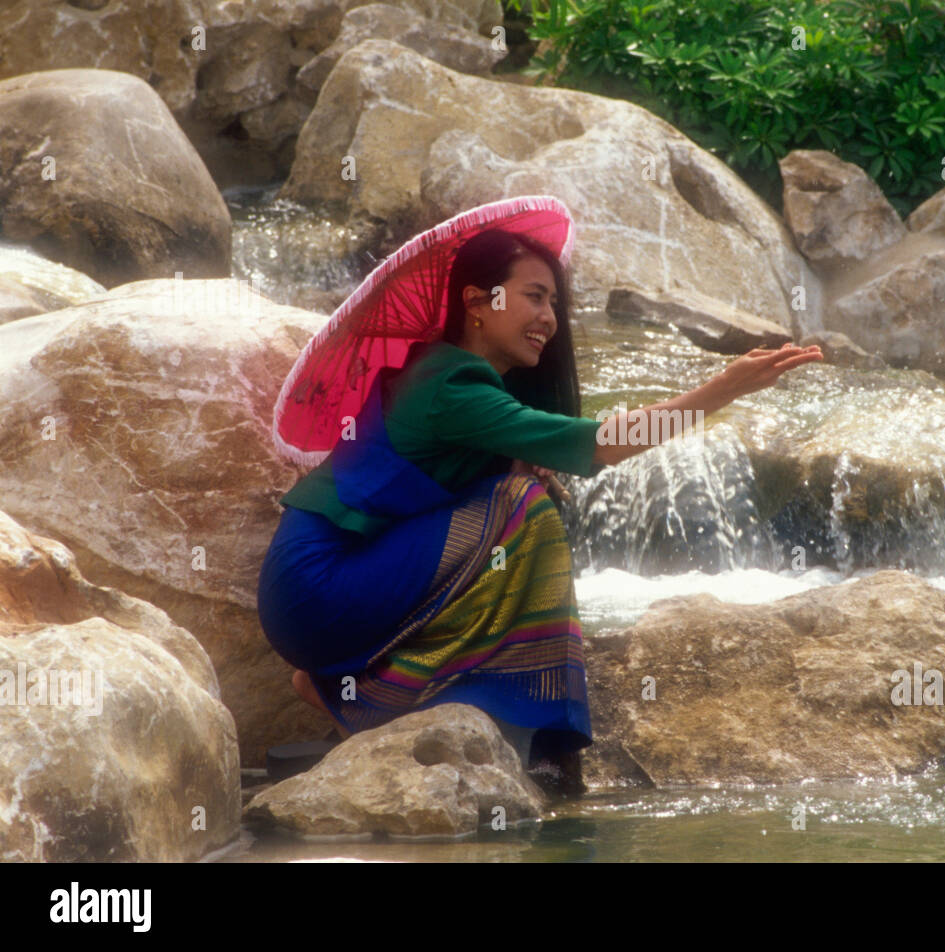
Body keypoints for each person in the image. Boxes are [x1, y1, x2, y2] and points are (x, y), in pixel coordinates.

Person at [256, 224, 822, 794]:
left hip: (319, 594)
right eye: (534, 296)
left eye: (554, 302)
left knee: (522, 493)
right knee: (524, 506)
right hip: (317, 590)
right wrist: (721, 389)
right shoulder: (450, 387)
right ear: (478, 302)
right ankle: (545, 740)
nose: (550, 318)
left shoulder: (452, 378)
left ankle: (350, 686)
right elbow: (601, 443)